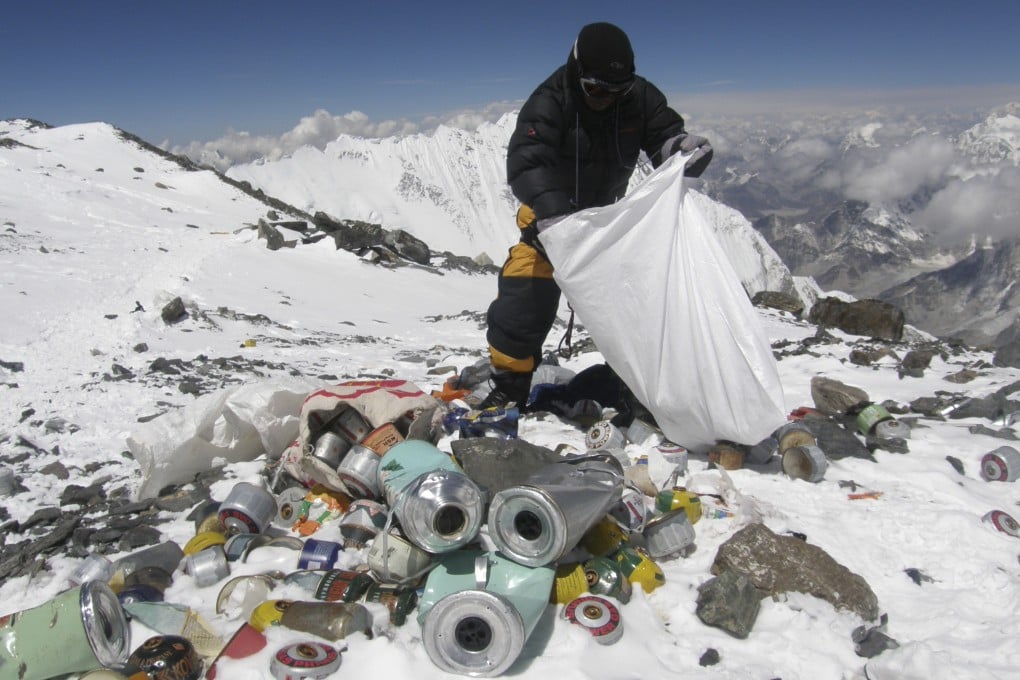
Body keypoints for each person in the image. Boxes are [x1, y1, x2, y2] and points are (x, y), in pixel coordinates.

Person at [478, 21, 713, 410]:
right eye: (595, 88)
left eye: (616, 89)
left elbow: (663, 135)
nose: (605, 97)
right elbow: (526, 163)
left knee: (641, 304)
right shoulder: (550, 101)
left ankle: (637, 386)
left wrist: (680, 149)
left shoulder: (639, 97)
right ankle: (510, 385)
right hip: (548, 228)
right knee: (523, 300)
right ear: (576, 71)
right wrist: (554, 216)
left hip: (607, 226)